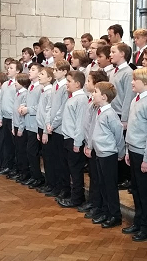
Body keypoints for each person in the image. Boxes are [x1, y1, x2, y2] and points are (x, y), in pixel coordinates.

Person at [123, 68, 147, 242]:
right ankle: (139, 221)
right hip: (133, 150)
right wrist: (127, 150)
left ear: (145, 83)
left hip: (146, 155)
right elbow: (132, 128)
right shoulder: (136, 100)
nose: (132, 82)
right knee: (137, 191)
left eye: (135, 80)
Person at [85, 81, 125, 228]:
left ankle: (115, 215)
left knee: (110, 186)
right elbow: (92, 129)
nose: (92, 94)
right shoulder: (97, 110)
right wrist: (89, 145)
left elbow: (118, 135)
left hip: (108, 154)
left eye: (95, 92)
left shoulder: (110, 114)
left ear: (104, 97)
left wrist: (120, 152)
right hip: (98, 153)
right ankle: (105, 211)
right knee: (101, 184)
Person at [58, 71, 89, 208]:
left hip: (74, 140)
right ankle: (72, 194)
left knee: (76, 171)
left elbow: (80, 123)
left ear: (77, 84)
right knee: (70, 169)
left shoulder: (81, 99)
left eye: (69, 81)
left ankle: (77, 198)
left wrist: (77, 142)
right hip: (68, 137)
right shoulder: (71, 97)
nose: (67, 83)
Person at [81, 70, 110, 219]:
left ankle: (97, 204)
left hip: (96, 145)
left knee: (97, 177)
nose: (86, 84)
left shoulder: (98, 104)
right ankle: (93, 202)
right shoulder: (91, 100)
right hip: (89, 142)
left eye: (88, 81)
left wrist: (90, 143)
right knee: (93, 175)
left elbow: (94, 125)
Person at [109, 43, 134, 190]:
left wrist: (125, 118)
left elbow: (128, 97)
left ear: (123, 54)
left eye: (113, 52)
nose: (110, 54)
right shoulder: (114, 71)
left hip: (120, 113)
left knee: (122, 144)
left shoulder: (128, 72)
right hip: (112, 111)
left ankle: (125, 177)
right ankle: (117, 175)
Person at [45, 60, 71, 199]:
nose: (54, 71)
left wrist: (54, 124)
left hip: (60, 128)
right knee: (53, 158)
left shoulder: (65, 87)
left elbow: (62, 109)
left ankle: (64, 188)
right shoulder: (55, 84)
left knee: (62, 161)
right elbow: (49, 106)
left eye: (56, 69)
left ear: (65, 71)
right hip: (52, 127)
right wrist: (48, 122)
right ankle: (55, 185)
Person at [19, 63, 44, 188]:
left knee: (33, 152)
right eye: (29, 69)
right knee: (29, 152)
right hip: (29, 124)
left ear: (39, 73)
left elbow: (40, 107)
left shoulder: (40, 88)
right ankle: (34, 176)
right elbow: (28, 101)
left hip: (35, 124)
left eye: (33, 70)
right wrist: (23, 106)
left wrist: (28, 109)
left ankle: (38, 178)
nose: (29, 71)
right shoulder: (31, 86)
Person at [0, 60, 22, 176]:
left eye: (11, 68)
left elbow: (16, 103)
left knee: (15, 145)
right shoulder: (5, 84)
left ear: (18, 71)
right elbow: (0, 101)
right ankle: (8, 165)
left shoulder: (18, 84)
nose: (8, 70)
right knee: (7, 144)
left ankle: (16, 168)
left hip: (13, 119)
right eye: (8, 68)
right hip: (5, 117)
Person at [35, 67, 55, 194]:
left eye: (42, 74)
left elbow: (48, 112)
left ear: (49, 78)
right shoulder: (43, 91)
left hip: (46, 128)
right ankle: (48, 182)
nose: (39, 75)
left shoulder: (49, 92)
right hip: (41, 127)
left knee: (49, 158)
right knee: (46, 157)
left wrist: (45, 131)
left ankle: (51, 183)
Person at [12, 73, 31, 182]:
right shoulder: (17, 94)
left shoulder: (24, 94)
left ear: (23, 83)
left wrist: (20, 128)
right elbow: (14, 112)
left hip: (21, 127)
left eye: (17, 81)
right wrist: (12, 126)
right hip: (15, 125)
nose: (15, 83)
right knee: (18, 150)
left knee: (22, 151)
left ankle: (24, 172)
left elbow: (22, 114)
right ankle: (19, 171)